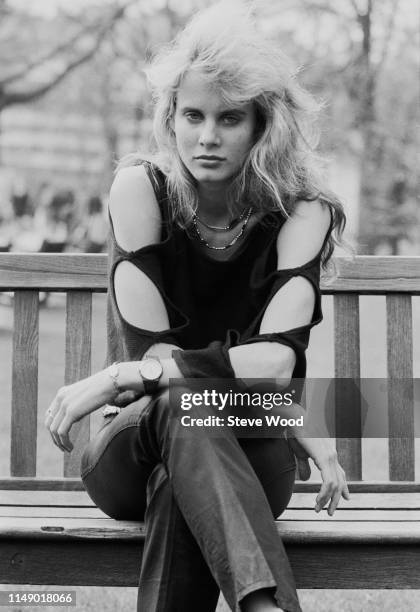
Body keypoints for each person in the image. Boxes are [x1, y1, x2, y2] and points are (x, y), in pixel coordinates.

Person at [45, 3, 349, 611]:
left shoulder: (302, 211)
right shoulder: (140, 190)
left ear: (264, 126)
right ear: (170, 117)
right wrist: (155, 373)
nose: (207, 137)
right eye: (192, 115)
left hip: (250, 453)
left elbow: (273, 368)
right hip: (133, 446)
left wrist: (122, 376)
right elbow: (159, 356)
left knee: (187, 447)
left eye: (230, 118)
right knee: (186, 407)